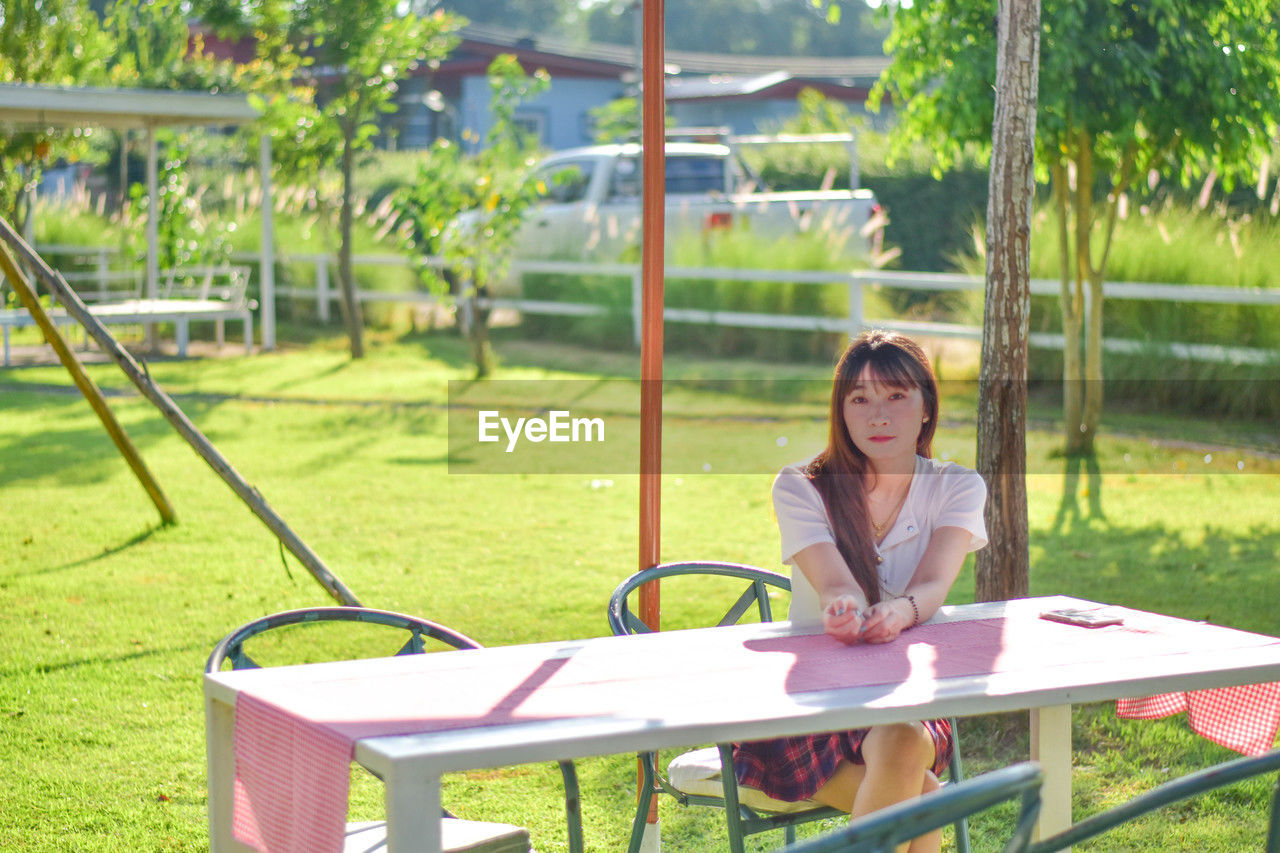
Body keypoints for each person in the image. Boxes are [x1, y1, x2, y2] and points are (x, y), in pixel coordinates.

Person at [733, 329, 988, 853]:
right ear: (841, 412)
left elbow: (935, 582)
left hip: (905, 695)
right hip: (810, 704)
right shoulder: (801, 484)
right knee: (922, 788)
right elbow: (832, 579)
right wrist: (845, 608)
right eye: (860, 399)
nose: (878, 416)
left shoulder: (957, 486)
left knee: (903, 745)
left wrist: (898, 612)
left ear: (925, 408)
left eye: (896, 397)